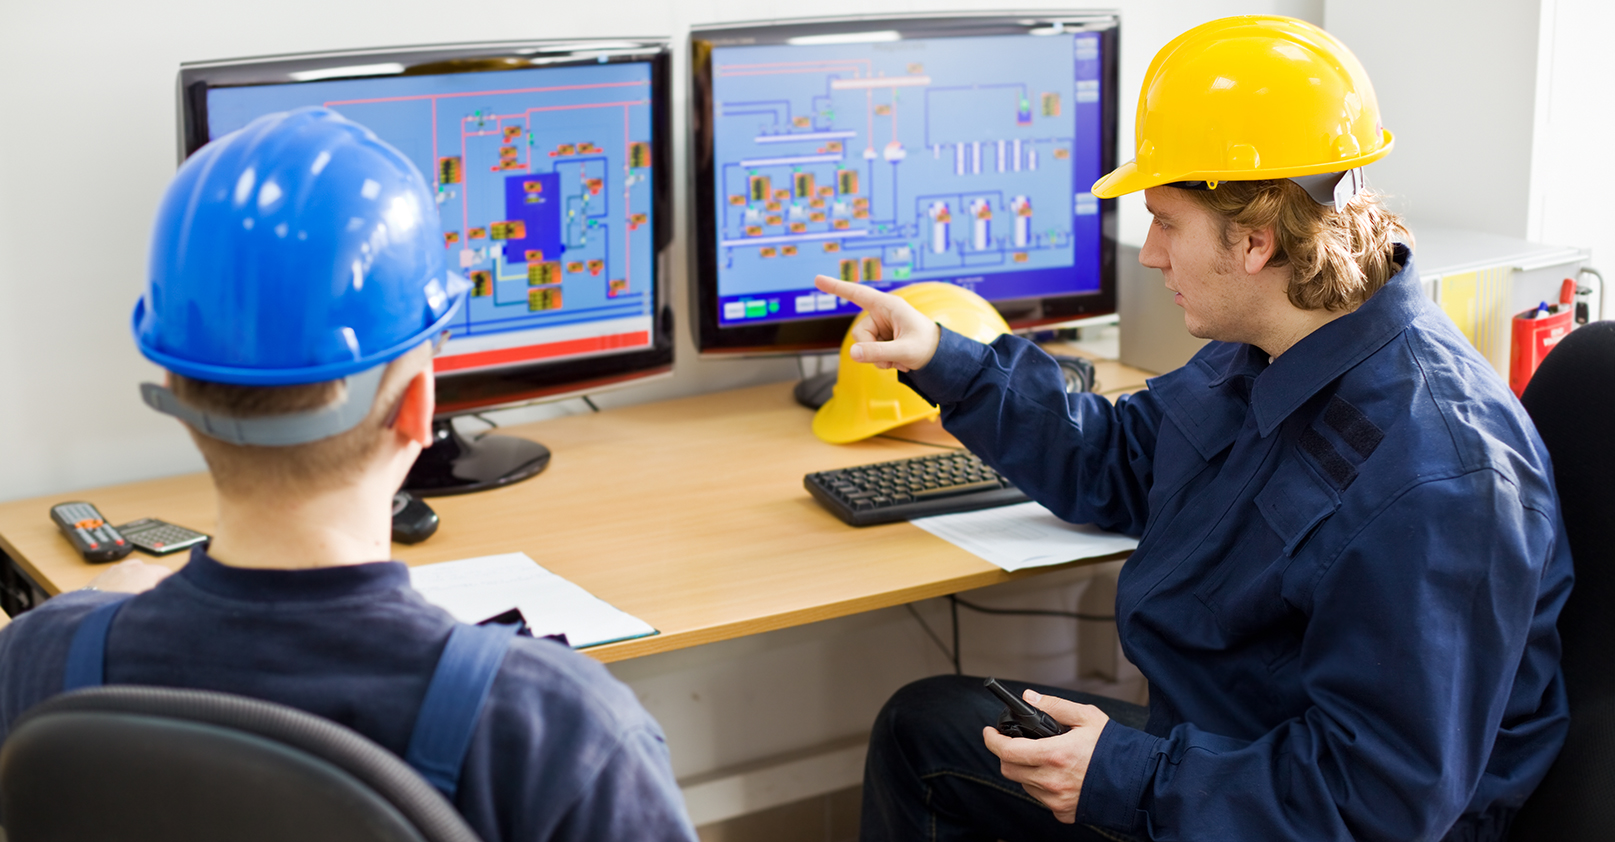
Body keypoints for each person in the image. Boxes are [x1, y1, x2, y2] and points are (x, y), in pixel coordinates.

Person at [822, 16, 1572, 842]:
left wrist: (1123, 778)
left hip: (1309, 815)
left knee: (927, 745)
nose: (1149, 254)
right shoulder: (1273, 344)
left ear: (1252, 240)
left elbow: (1374, 803)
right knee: (926, 727)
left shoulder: (1439, 479)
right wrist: (948, 362)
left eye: (1165, 222)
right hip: (1232, 754)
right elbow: (1121, 462)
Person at [0, 107, 697, 842]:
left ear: (177, 398)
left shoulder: (40, 661)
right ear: (417, 408)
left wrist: (93, 607)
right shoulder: (553, 726)